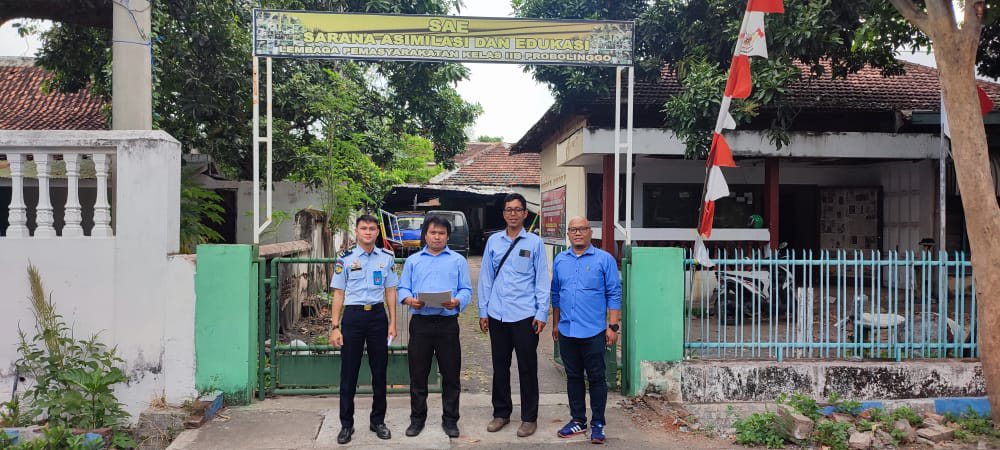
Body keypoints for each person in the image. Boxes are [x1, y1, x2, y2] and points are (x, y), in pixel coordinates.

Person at [477, 193, 549, 437]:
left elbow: (541, 280)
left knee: (527, 368)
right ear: (503, 213)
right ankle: (501, 413)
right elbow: (486, 278)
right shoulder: (493, 242)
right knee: (500, 367)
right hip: (497, 314)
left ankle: (529, 418)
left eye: (518, 209)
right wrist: (483, 311)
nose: (513, 214)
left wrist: (541, 313)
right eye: (509, 209)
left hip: (525, 315)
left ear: (525, 213)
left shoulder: (535, 243)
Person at [397, 216, 473, 438]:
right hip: (421, 324)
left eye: (441, 233)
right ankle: (417, 419)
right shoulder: (413, 261)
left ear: (448, 236)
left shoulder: (458, 261)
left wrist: (457, 301)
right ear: (425, 235)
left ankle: (450, 420)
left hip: (447, 324)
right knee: (418, 375)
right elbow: (403, 288)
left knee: (451, 375)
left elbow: (466, 290)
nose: (437, 237)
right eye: (433, 232)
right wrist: (409, 300)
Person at [550, 216, 621, 444]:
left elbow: (614, 293)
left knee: (597, 378)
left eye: (582, 229)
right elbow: (556, 294)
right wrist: (555, 324)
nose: (578, 233)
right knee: (573, 377)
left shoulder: (604, 259)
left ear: (590, 232)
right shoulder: (560, 260)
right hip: (567, 330)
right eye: (573, 230)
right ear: (568, 234)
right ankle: (578, 420)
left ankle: (598, 423)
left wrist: (613, 326)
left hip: (593, 331)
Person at [328, 214, 398, 444]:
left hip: (377, 317)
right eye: (364, 228)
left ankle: (378, 421)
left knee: (379, 371)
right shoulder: (345, 259)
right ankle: (346, 425)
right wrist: (335, 326)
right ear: (356, 231)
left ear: (378, 232)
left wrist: (393, 322)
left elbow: (390, 291)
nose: (368, 232)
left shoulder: (386, 257)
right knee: (349, 372)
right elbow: (338, 293)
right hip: (353, 318)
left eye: (372, 228)